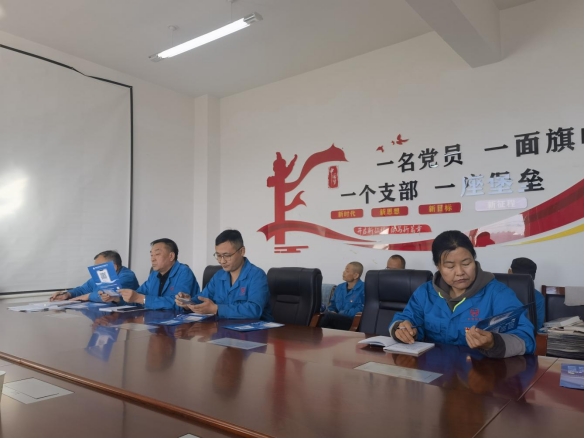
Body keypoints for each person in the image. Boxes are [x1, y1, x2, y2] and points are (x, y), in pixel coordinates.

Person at [389, 230, 535, 358]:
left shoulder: (497, 294)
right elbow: (406, 319)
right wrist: (401, 329)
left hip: (480, 374)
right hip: (433, 374)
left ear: (474, 260)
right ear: (438, 266)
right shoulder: (425, 293)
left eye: (466, 263)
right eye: (450, 266)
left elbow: (526, 339)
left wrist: (493, 343)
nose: (460, 272)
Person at [175, 229, 272, 320]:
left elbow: (254, 310)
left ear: (242, 251)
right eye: (218, 255)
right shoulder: (218, 276)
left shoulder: (257, 275)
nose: (222, 261)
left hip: (254, 330)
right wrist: (188, 302)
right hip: (223, 328)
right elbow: (202, 298)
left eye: (227, 255)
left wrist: (216, 309)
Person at [119, 238, 199, 310]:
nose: (152, 259)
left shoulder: (184, 272)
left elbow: (179, 304)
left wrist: (142, 299)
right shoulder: (154, 274)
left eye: (157, 254)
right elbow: (137, 297)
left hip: (180, 320)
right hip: (155, 319)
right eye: (151, 255)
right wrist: (118, 299)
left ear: (171, 256)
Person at [50, 250, 139, 303]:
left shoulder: (127, 276)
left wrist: (89, 296)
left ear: (113, 267)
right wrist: (67, 294)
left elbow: (112, 292)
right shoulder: (101, 276)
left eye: (99, 267)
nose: (96, 271)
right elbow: (83, 289)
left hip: (127, 318)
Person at [319, 262, 365, 330]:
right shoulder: (340, 287)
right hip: (337, 319)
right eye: (344, 270)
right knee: (322, 318)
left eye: (347, 271)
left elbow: (361, 309)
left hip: (352, 321)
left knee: (327, 317)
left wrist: (340, 313)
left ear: (356, 275)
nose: (343, 272)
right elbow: (333, 304)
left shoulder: (364, 288)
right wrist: (332, 311)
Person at [509, 257, 545, 331]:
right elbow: (536, 326)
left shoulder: (499, 292)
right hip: (526, 334)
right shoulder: (539, 298)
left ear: (509, 272)